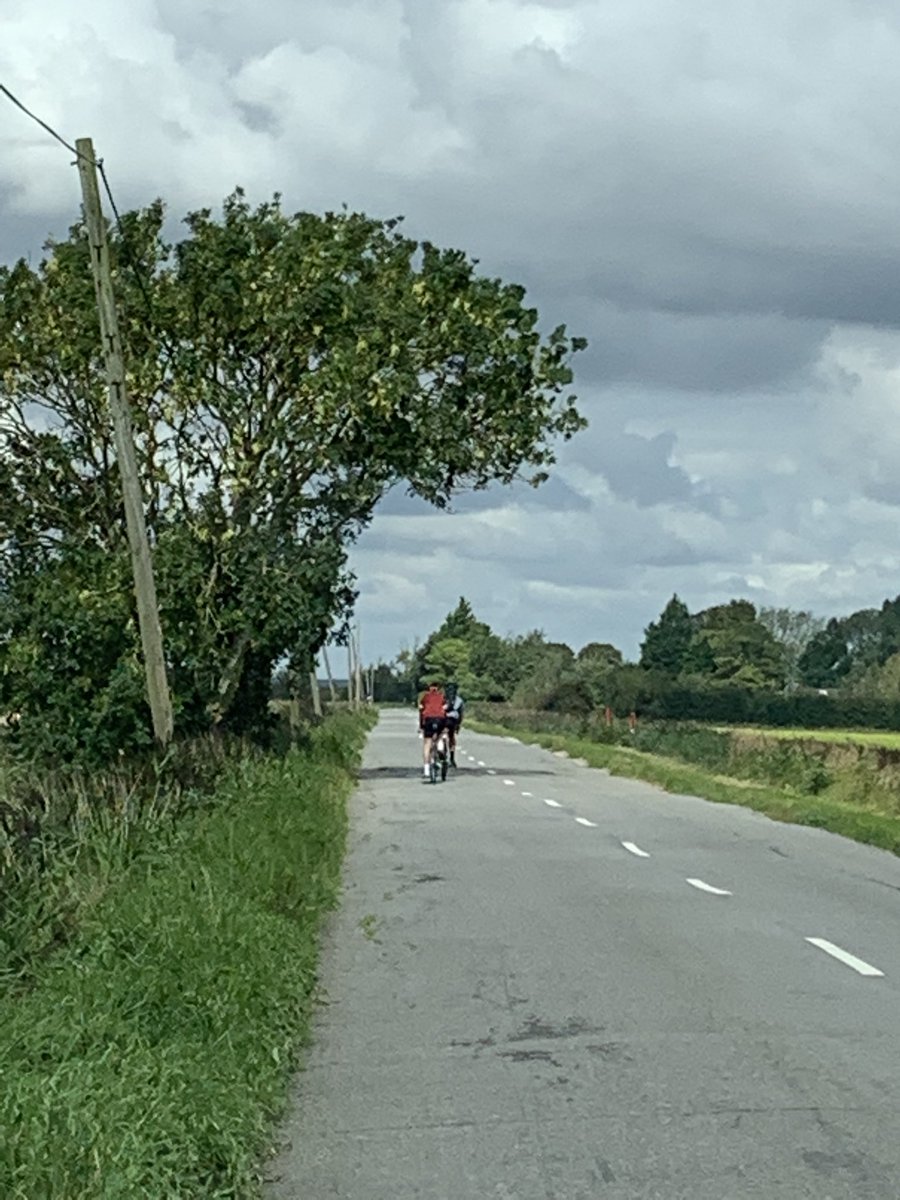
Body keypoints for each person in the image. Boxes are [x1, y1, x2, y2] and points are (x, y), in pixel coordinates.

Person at [418, 681, 447, 778]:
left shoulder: (425, 697)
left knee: (427, 744)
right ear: (438, 688)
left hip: (428, 719)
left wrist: (421, 726)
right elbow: (445, 709)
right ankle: (440, 750)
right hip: (440, 719)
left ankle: (426, 770)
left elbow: (421, 710)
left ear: (429, 688)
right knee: (440, 736)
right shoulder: (442, 697)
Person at [444, 683, 465, 766]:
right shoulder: (459, 700)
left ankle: (442, 755)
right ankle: (452, 758)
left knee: (441, 736)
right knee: (451, 737)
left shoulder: (443, 698)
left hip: (443, 720)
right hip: (453, 721)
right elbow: (461, 714)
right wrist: (458, 725)